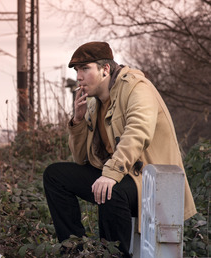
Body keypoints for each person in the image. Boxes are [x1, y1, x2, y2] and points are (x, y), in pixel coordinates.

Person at [43, 41, 196, 257]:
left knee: (111, 191)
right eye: (77, 70)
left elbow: (138, 132)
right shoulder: (94, 102)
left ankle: (114, 254)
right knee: (55, 175)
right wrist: (77, 122)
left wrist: (110, 174)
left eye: (85, 69)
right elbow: (80, 158)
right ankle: (74, 251)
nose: (79, 77)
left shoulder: (137, 88)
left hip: (149, 181)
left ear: (105, 70)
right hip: (121, 175)